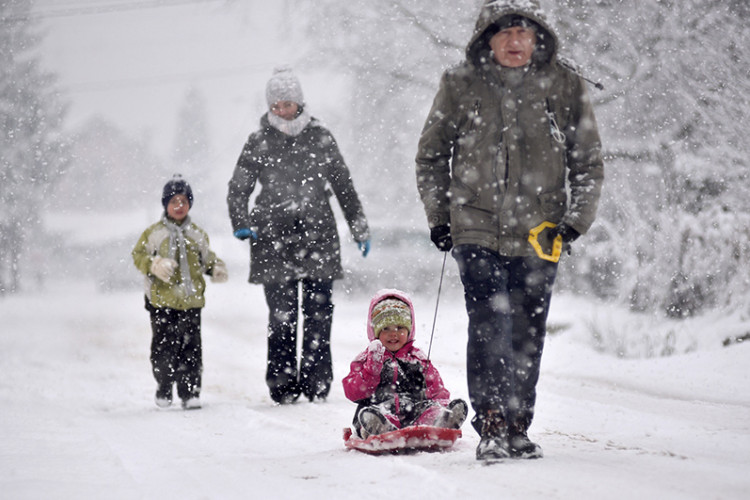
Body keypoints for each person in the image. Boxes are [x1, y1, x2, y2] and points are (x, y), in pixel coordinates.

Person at [415, 0, 604, 460]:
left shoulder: (563, 85)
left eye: (523, 33)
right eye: (504, 33)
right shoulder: (460, 84)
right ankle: (493, 425)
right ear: (486, 39)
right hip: (476, 227)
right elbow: (432, 155)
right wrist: (441, 217)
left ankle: (519, 425)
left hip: (542, 231)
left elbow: (588, 162)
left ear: (538, 37)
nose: (514, 42)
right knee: (489, 325)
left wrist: (575, 223)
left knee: (526, 333)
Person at [227, 66, 371, 404]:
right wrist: (240, 221)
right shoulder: (258, 141)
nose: (282, 110)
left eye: (287, 103)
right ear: (269, 106)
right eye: (276, 105)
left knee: (319, 313)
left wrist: (358, 225)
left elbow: (343, 185)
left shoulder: (320, 137)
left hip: (317, 234)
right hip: (272, 238)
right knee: (282, 317)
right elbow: (238, 188)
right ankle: (282, 384)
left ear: (300, 102)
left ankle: (317, 382)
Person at [132, 174, 228, 410]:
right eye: (174, 201)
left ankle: (190, 391)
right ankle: (164, 386)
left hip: (191, 301)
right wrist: (154, 264)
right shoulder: (154, 233)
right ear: (165, 204)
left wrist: (216, 267)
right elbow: (139, 255)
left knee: (191, 349)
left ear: (190, 204)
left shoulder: (197, 234)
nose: (178, 206)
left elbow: (206, 258)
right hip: (161, 302)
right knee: (163, 348)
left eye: (183, 201)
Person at [342, 289, 468, 438]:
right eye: (385, 328)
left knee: (428, 409)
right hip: (379, 407)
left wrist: (440, 405)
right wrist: (371, 371)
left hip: (413, 410)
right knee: (370, 414)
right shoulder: (366, 358)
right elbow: (352, 392)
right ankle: (379, 428)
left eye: (400, 328)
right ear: (374, 331)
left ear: (409, 330)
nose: (393, 333)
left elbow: (436, 389)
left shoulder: (417, 358)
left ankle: (441, 420)